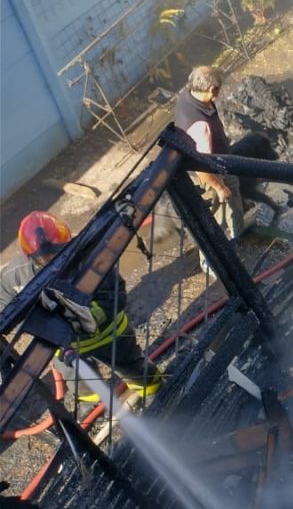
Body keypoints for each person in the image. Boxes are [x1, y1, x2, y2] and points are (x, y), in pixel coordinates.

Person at [0, 212, 161, 402]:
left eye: (57, 253)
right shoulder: (16, 275)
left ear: (67, 241)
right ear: (29, 256)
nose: (51, 260)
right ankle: (93, 402)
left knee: (135, 369)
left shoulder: (92, 254)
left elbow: (115, 294)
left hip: (110, 334)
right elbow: (5, 308)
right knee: (80, 382)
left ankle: (155, 391)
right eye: (43, 259)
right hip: (67, 349)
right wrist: (41, 324)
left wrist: (82, 319)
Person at [173, 65, 244, 275]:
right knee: (213, 219)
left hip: (223, 163)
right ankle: (209, 262)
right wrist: (218, 186)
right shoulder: (200, 126)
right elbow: (200, 165)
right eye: (218, 89)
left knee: (234, 201)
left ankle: (237, 236)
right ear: (212, 89)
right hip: (211, 175)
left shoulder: (187, 95)